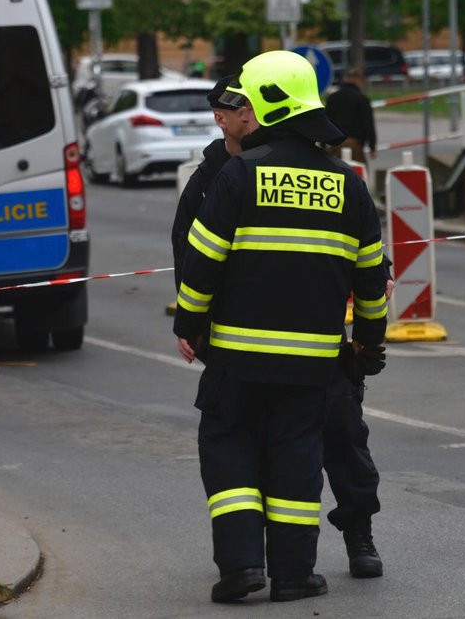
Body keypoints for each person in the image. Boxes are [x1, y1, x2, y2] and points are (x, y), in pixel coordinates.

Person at [173, 50, 388, 603]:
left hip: (236, 360)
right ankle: (294, 575)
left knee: (230, 451)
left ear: (267, 103)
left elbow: (201, 261)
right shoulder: (348, 185)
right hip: (311, 365)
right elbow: (371, 281)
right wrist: (368, 343)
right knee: (297, 462)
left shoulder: (239, 174)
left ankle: (243, 567)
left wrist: (191, 325)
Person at [172, 76, 255, 293]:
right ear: (220, 119)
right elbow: (185, 250)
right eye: (241, 113)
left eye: (254, 109)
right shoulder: (203, 181)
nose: (250, 117)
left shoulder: (275, 167)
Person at [324, 67, 377, 165]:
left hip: (335, 145)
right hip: (354, 145)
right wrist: (372, 147)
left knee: (334, 176)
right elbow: (368, 124)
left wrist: (323, 144)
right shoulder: (361, 99)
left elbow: (325, 121)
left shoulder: (332, 98)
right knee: (359, 175)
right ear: (359, 80)